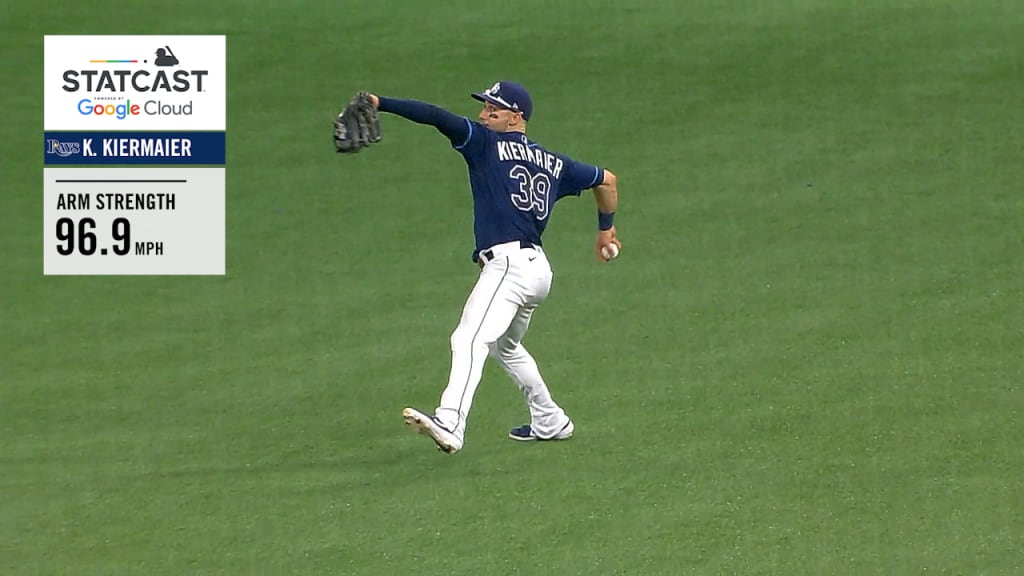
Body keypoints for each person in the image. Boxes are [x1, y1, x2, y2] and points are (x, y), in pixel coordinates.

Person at [366, 81, 621, 454]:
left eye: (493, 111)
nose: (483, 116)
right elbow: (607, 179)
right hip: (537, 272)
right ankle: (550, 420)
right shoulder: (557, 163)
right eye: (484, 108)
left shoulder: (484, 144)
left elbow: (437, 117)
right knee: (507, 346)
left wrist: (379, 102)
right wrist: (606, 229)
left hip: (509, 267)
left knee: (468, 339)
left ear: (516, 117)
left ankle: (450, 421)